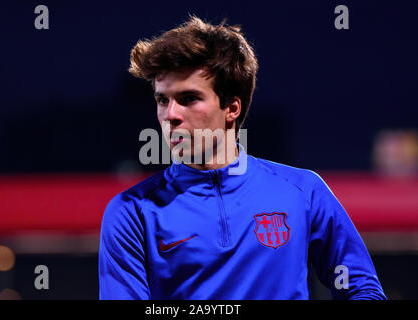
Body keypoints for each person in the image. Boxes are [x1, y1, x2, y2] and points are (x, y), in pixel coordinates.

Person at [98, 16, 386, 300]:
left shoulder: (304, 192)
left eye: (188, 99)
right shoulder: (131, 213)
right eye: (163, 100)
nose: (170, 115)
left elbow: (363, 290)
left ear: (232, 108)